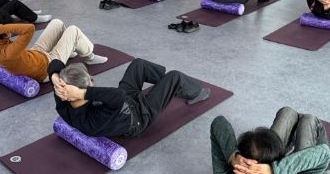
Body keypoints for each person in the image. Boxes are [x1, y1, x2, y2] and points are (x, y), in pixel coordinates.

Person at [49, 58, 211, 138]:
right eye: (90, 82)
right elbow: (118, 96)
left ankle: (167, 85)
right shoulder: (92, 121)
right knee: (175, 77)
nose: (93, 81)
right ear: (80, 92)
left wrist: (55, 77)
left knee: (138, 64)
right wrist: (81, 93)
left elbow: (55, 63)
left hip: (124, 104)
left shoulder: (63, 100)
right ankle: (196, 92)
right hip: (138, 117)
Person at [0, 14, 107, 83]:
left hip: (34, 54)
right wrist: (2, 28)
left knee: (57, 22)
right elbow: (29, 28)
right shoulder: (8, 53)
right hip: (47, 67)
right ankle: (90, 57)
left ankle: (68, 50)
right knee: (73, 30)